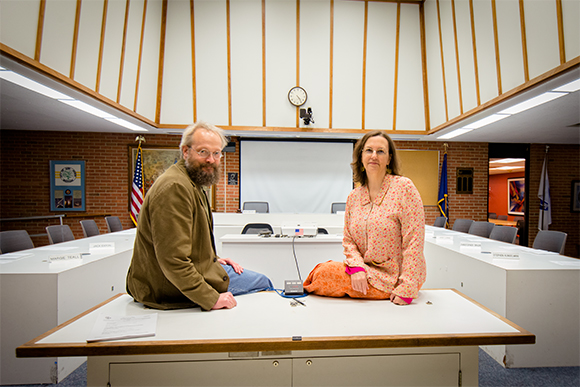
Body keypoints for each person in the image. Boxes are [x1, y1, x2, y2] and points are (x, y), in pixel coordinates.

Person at [126, 122, 272, 311]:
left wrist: (211, 258)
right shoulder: (175, 188)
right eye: (203, 152)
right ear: (185, 151)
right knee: (263, 284)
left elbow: (182, 242)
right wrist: (212, 299)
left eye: (216, 153)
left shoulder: (191, 182)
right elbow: (173, 260)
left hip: (187, 273)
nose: (211, 159)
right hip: (165, 289)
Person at [304, 130, 426, 305]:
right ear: (361, 156)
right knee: (321, 272)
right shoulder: (353, 197)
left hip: (393, 278)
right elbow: (348, 240)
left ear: (389, 159)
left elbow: (414, 240)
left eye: (380, 151)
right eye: (369, 150)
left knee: (323, 274)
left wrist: (407, 288)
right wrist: (357, 267)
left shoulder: (403, 188)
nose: (374, 156)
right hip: (363, 273)